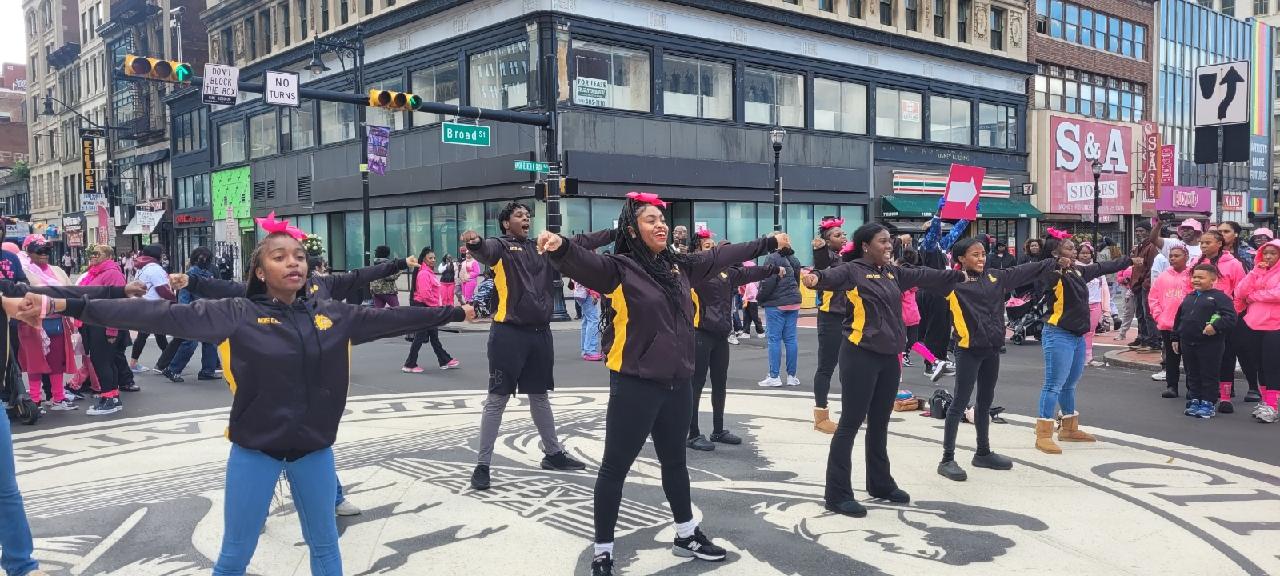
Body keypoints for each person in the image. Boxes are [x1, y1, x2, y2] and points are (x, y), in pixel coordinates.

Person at [35, 228, 471, 576]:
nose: (293, 262)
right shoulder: (237, 313)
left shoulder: (335, 315)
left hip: (314, 452)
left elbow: (396, 317)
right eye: (279, 256)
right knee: (234, 556)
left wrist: (455, 312)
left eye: (298, 256)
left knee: (325, 549)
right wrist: (64, 305)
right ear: (260, 270)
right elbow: (157, 315)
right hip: (255, 451)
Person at [538, 191, 786, 575]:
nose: (660, 225)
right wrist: (561, 246)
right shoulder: (618, 269)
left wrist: (767, 242)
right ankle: (603, 550)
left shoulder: (679, 267)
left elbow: (721, 256)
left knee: (675, 463)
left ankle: (685, 534)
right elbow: (583, 262)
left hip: (678, 382)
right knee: (614, 468)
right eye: (650, 219)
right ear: (632, 229)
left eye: (662, 219)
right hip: (635, 384)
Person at [801, 223, 964, 517]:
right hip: (860, 354)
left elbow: (925, 275)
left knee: (879, 424)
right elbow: (829, 276)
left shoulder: (893, 272)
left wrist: (957, 274)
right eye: (883, 242)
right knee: (850, 424)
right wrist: (815, 278)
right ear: (866, 246)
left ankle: (880, 483)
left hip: (889, 358)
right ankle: (837, 494)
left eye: (890, 242)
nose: (890, 246)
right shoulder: (853, 270)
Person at [459, 202, 607, 491]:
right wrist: (474, 243)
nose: (525, 218)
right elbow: (484, 249)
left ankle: (553, 454)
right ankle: (483, 464)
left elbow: (581, 242)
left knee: (539, 397)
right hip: (508, 334)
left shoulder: (542, 247)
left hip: (540, 333)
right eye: (518, 215)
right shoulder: (500, 247)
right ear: (505, 224)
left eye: (527, 215)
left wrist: (614, 232)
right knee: (497, 399)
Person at [936, 238, 1059, 481]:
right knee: (960, 402)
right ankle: (947, 459)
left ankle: (982, 453)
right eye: (975, 255)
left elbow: (1025, 271)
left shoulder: (994, 277)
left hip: (992, 348)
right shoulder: (953, 282)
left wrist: (1053, 261)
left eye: (983, 254)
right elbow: (923, 272)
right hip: (967, 350)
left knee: (985, 401)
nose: (981, 258)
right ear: (961, 259)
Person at [1034, 229, 1134, 454]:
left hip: (1077, 336)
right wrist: (1055, 263)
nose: (1075, 251)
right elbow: (1048, 274)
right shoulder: (1052, 274)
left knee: (1070, 384)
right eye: (1069, 248)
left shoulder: (1078, 271)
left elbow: (1103, 267)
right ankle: (1043, 434)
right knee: (1053, 385)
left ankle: (1068, 429)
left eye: (1074, 248)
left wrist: (1129, 259)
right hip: (1058, 333)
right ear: (1056, 253)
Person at [687, 235, 781, 451]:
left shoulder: (725, 272)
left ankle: (718, 431)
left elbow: (748, 273)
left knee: (720, 382)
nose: (712, 251)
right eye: (707, 247)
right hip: (699, 333)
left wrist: (773, 270)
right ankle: (692, 434)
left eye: (714, 247)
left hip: (721, 334)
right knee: (696, 384)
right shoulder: (694, 272)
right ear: (698, 250)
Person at [1188, 230, 1251, 413]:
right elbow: (1188, 287)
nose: (1204, 246)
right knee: (1202, 359)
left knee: (1226, 357)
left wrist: (1232, 313)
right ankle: (1199, 396)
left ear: (1219, 244)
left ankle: (1224, 396)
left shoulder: (1234, 264)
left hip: (1224, 317)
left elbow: (1240, 291)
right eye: (1202, 243)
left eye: (1208, 242)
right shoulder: (1197, 263)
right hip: (1200, 316)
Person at [17, 235, 81, 411]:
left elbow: (70, 291)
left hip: (57, 321)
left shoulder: (58, 270)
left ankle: (58, 398)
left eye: (47, 250)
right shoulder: (23, 271)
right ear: (28, 252)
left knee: (57, 361)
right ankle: (35, 401)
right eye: (39, 250)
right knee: (35, 363)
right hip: (33, 322)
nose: (44, 254)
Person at [76, 244, 141, 414]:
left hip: (104, 324)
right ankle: (111, 396)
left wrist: (112, 330)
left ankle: (109, 399)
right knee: (102, 361)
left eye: (97, 253)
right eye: (91, 253)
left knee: (103, 362)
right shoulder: (93, 272)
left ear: (108, 256)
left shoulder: (112, 273)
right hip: (92, 323)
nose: (93, 256)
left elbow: (117, 304)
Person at [1173, 265, 1238, 419]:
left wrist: (1215, 326)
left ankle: (1208, 402)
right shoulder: (1189, 297)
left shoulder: (1220, 298)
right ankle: (1195, 399)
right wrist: (1175, 337)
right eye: (1194, 277)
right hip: (1188, 342)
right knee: (1192, 373)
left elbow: (1231, 318)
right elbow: (1179, 319)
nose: (1196, 280)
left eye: (1201, 277)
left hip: (1210, 344)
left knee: (1209, 373)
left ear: (1212, 279)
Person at [918, 210, 969, 381]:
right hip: (933, 292)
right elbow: (933, 234)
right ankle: (930, 364)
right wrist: (938, 216)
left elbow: (956, 233)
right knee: (935, 329)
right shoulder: (928, 246)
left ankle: (939, 359)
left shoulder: (940, 246)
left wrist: (967, 217)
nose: (941, 232)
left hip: (944, 292)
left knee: (944, 329)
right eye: (938, 230)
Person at [1233, 239, 1280, 423]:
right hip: (1253, 324)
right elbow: (1240, 291)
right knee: (1259, 365)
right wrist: (1255, 272)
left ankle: (1273, 406)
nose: (1268, 256)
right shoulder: (1258, 271)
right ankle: (1265, 401)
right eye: (1265, 253)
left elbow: (1277, 294)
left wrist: (1253, 296)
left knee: (1272, 366)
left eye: (1273, 253)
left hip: (1275, 326)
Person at [809, 216, 847, 433]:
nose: (843, 237)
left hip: (848, 317)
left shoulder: (844, 257)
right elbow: (821, 263)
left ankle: (851, 411)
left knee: (849, 367)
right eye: (837, 235)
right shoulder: (827, 258)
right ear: (826, 239)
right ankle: (821, 417)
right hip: (830, 318)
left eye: (843, 233)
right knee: (826, 367)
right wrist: (820, 248)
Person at [162, 247, 221, 383]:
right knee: (191, 343)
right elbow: (184, 295)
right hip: (195, 312)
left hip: (206, 310)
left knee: (209, 342)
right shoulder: (191, 274)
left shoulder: (210, 271)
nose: (204, 260)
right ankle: (173, 369)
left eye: (205, 258)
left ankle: (207, 370)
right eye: (202, 258)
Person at [403, 247, 459, 372]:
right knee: (421, 336)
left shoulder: (427, 272)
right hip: (425, 308)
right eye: (430, 258)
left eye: (434, 258)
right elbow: (425, 295)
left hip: (428, 308)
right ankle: (409, 364)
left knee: (433, 336)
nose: (433, 260)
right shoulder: (423, 274)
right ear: (424, 259)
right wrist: (438, 308)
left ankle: (444, 360)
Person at [757, 236, 802, 388]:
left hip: (776, 303)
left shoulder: (772, 258)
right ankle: (792, 376)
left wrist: (760, 298)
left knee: (774, 339)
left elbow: (768, 281)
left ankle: (774, 376)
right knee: (791, 339)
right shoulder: (794, 259)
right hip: (794, 301)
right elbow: (796, 280)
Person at [1149, 246, 1193, 399]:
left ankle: (1191, 388)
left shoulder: (1192, 275)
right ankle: (1172, 386)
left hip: (1188, 324)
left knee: (1189, 358)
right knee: (1171, 358)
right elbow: (1153, 298)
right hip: (1168, 323)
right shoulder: (1163, 276)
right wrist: (1158, 316)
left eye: (1177, 255)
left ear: (1186, 257)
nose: (1173, 258)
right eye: (1171, 256)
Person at [129, 244, 174, 373]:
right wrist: (174, 300)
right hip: (153, 306)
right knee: (145, 335)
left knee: (159, 335)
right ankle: (134, 363)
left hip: (142, 304)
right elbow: (163, 290)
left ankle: (167, 359)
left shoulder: (142, 267)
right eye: (162, 254)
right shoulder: (155, 269)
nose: (163, 256)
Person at [1127, 221, 1162, 352]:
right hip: (1137, 284)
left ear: (1148, 232)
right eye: (1136, 231)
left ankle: (1154, 341)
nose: (1138, 233)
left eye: (1141, 231)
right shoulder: (1138, 247)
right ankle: (1142, 337)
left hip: (1146, 285)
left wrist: (1145, 283)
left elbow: (1152, 268)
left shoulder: (1152, 247)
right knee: (1140, 313)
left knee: (1149, 313)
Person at [1078, 243, 1111, 367]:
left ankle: (1088, 357)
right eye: (1082, 252)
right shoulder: (1075, 268)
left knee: (1090, 332)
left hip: (1095, 304)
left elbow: (1104, 289)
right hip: (1080, 306)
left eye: (1087, 253)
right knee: (1079, 332)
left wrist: (1106, 309)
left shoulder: (1097, 269)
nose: (1085, 255)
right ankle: (1078, 357)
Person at [574, 276, 603, 361]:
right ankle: (590, 350)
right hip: (588, 293)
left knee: (586, 321)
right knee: (593, 321)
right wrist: (593, 292)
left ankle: (585, 350)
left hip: (580, 293)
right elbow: (588, 277)